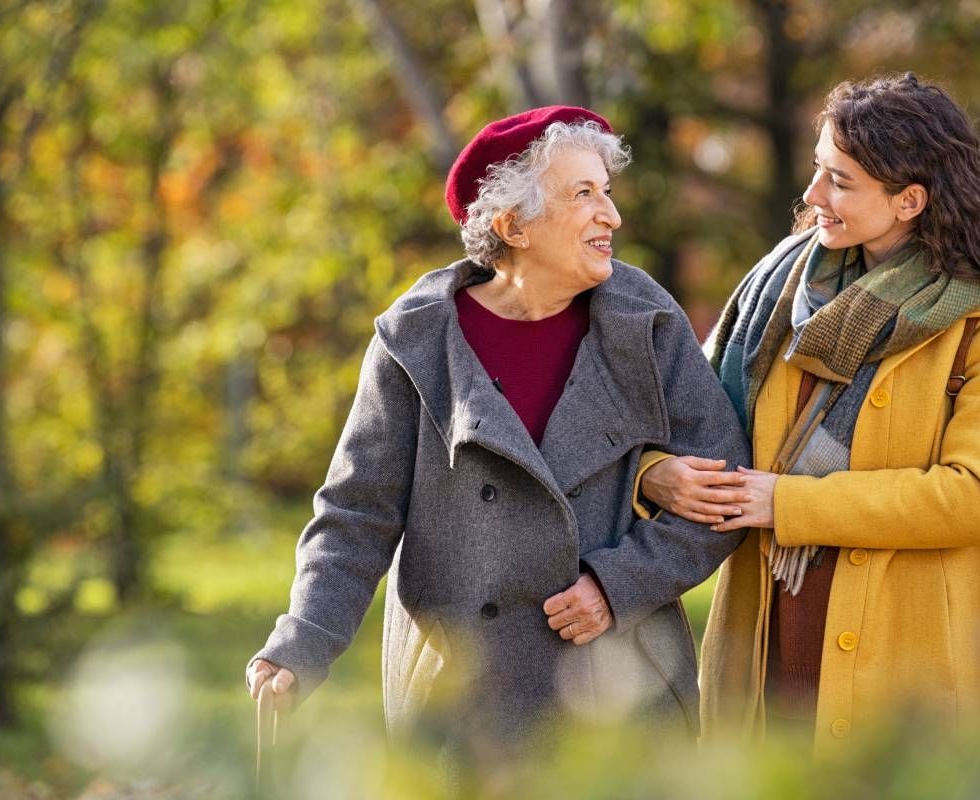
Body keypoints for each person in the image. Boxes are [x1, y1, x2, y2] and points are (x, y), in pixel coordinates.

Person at [246, 106, 750, 762]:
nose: (611, 216)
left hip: (622, 693)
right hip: (464, 699)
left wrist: (618, 583)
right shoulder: (418, 341)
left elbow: (725, 488)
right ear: (512, 225)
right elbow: (354, 516)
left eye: (607, 191)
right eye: (583, 194)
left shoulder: (646, 321)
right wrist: (301, 642)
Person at [637, 73, 980, 755]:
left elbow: (978, 497)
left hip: (910, 665)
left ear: (909, 200)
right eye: (817, 170)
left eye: (839, 181)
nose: (812, 198)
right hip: (766, 642)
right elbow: (677, 421)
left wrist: (791, 504)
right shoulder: (777, 292)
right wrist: (657, 475)